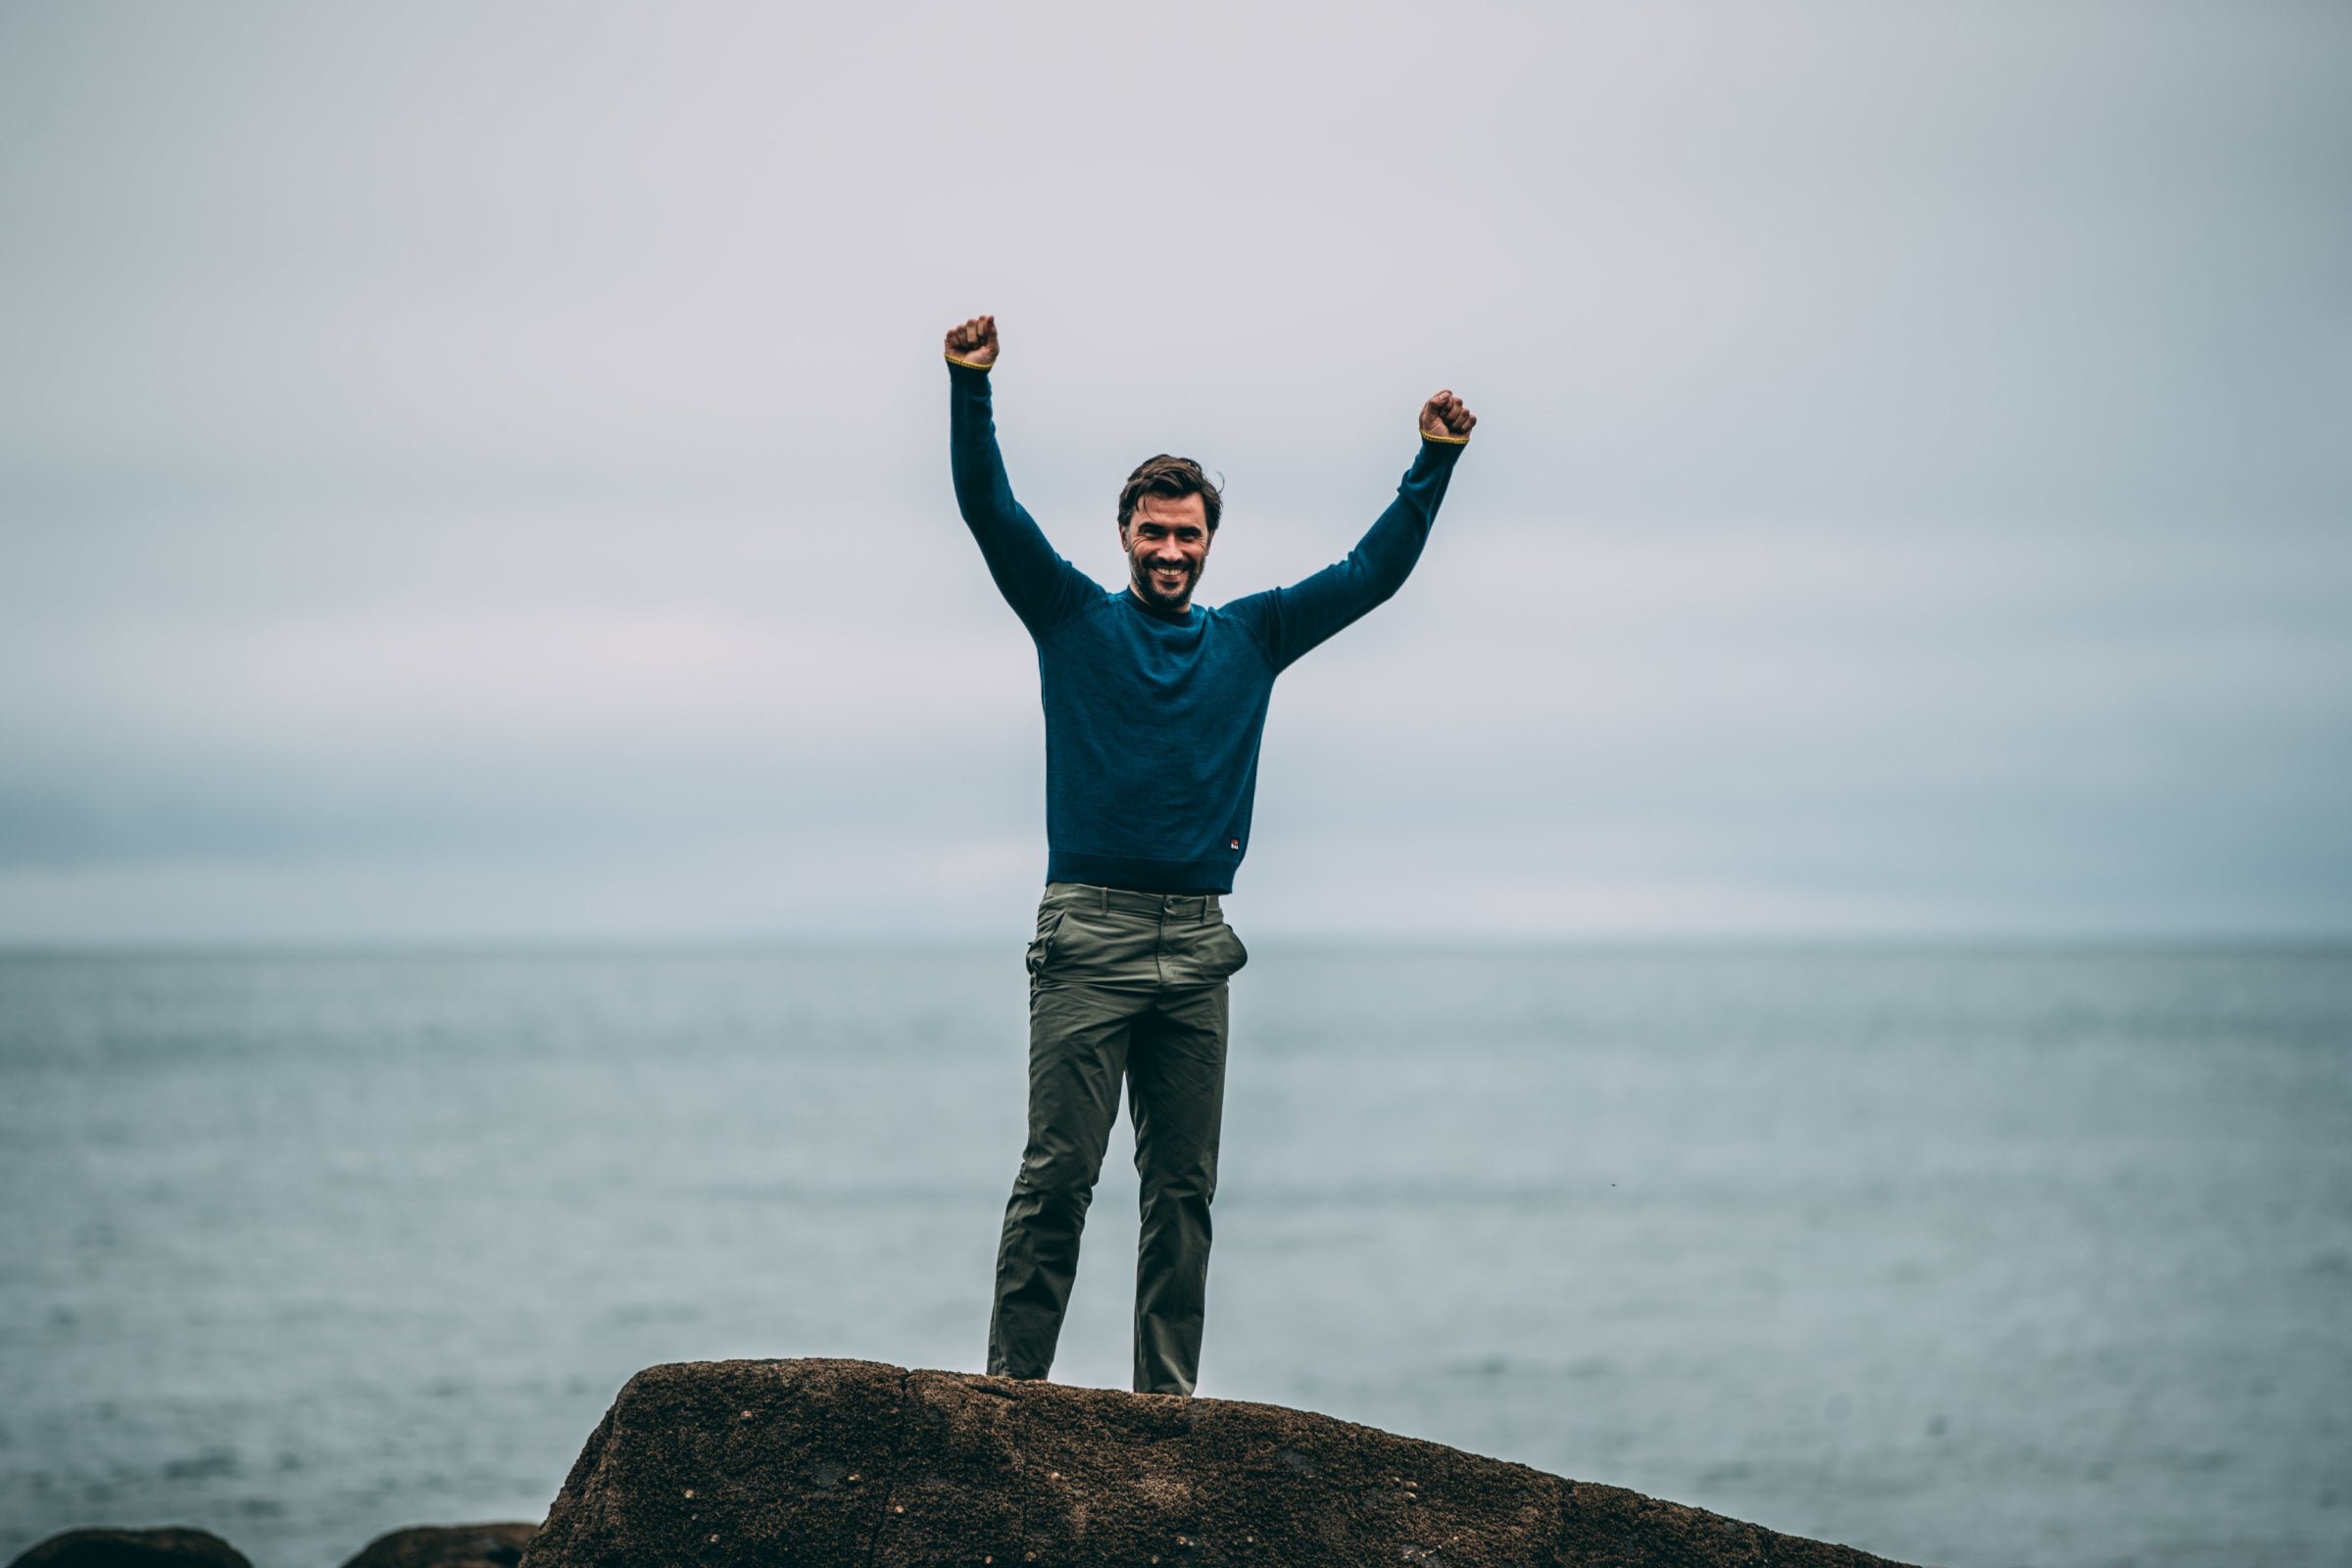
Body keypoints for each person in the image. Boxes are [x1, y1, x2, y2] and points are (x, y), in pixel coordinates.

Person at [945, 313, 1475, 1396]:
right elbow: (991, 513)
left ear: (1209, 542)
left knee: (1181, 1191)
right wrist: (970, 385)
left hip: (1198, 948)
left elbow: (1370, 572)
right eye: (1154, 532)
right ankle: (1010, 1396)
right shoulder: (1070, 617)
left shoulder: (1254, 636)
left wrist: (1434, 460)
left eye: (1189, 535)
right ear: (1126, 535)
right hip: (1085, 936)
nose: (1172, 551)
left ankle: (1164, 1406)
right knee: (1057, 1179)